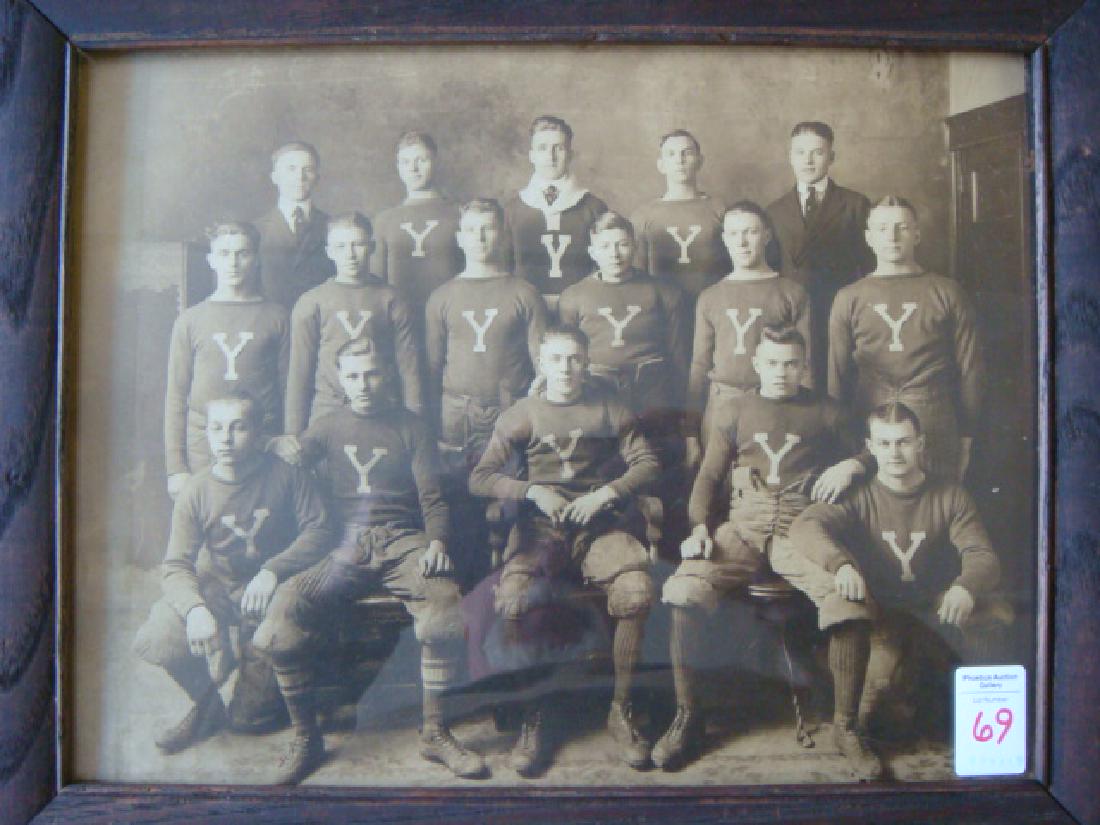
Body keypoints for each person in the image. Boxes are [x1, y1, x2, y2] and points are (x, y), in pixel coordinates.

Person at [256, 340, 485, 783]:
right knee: (283, 611)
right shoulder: (326, 427)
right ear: (341, 379)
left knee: (443, 604)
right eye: (353, 375)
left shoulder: (411, 427)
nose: (363, 384)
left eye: (372, 374)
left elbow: (432, 497)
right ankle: (306, 737)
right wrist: (272, 443)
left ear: (387, 376)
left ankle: (435, 731)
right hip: (342, 545)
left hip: (402, 540)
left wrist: (437, 543)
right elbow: (290, 468)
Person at [654, 325, 868, 771]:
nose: (782, 372)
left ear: (804, 365)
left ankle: (847, 727)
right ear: (756, 364)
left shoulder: (827, 411)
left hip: (800, 527)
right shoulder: (734, 409)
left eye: (791, 363)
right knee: (684, 591)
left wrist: (852, 463)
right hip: (743, 524)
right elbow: (709, 477)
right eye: (772, 363)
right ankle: (688, 717)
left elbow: (873, 454)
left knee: (848, 603)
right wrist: (699, 528)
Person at [468, 326, 661, 775]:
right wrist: (532, 491)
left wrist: (606, 494)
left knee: (636, 593)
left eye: (575, 358)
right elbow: (480, 478)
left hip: (600, 526)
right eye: (556, 359)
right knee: (515, 601)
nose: (567, 369)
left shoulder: (610, 408)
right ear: (542, 363)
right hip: (542, 532)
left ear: (586, 361)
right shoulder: (521, 415)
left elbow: (648, 463)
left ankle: (621, 709)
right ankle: (534, 715)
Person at [788, 401, 1009, 780]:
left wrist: (965, 587)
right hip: (881, 616)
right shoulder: (858, 495)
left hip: (932, 611)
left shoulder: (950, 494)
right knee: (882, 701)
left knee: (993, 615)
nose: (895, 453)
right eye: (885, 444)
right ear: (870, 447)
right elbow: (805, 527)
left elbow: (982, 554)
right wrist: (841, 564)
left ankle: (985, 733)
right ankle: (847, 726)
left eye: (904, 442)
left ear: (920, 443)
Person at [133, 391, 332, 754]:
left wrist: (272, 571)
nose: (225, 439)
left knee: (250, 721)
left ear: (257, 432)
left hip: (271, 596)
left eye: (238, 427)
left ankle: (254, 668)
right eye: (216, 428)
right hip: (222, 589)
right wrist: (195, 610)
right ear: (207, 433)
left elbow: (320, 530)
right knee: (157, 637)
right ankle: (207, 705)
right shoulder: (196, 490)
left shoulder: (287, 475)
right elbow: (176, 565)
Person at [425, 198, 548, 578]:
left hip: (508, 415)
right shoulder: (441, 297)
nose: (480, 237)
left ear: (502, 235)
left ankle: (509, 592)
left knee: (509, 509)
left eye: (488, 228)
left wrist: (527, 413)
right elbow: (432, 371)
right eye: (471, 230)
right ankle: (464, 595)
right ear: (460, 238)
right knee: (461, 508)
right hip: (456, 418)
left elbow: (543, 368)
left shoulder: (524, 293)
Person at [828, 195, 983, 480]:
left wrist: (966, 439)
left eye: (902, 227)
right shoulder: (849, 297)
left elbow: (970, 370)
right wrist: (841, 443)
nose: (893, 236)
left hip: (934, 425)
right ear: (869, 238)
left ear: (917, 234)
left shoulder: (948, 292)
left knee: (936, 502)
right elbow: (837, 376)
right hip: (869, 426)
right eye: (883, 228)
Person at [164, 221, 289, 501]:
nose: (233, 263)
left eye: (242, 253)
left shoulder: (277, 317)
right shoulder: (190, 320)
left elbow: (288, 390)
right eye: (224, 253)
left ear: (256, 259)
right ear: (211, 259)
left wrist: (287, 440)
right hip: (203, 447)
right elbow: (176, 397)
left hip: (262, 444)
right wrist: (176, 468)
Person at [685, 201, 812, 466]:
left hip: (774, 406)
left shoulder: (791, 293)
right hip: (721, 405)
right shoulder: (710, 297)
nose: (742, 242)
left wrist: (806, 416)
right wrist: (690, 432)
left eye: (751, 232)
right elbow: (700, 365)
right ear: (725, 239)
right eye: (734, 233)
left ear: (767, 235)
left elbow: (806, 364)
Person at [557, 211, 689, 453]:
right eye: (605, 246)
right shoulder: (573, 296)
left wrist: (683, 416)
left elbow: (679, 358)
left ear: (635, 247)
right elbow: (567, 352)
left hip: (652, 391)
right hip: (599, 390)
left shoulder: (664, 292)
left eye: (622, 244)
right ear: (592, 252)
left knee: (657, 457)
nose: (614, 254)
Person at [284, 211, 422, 436]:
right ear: (329, 252)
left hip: (381, 414)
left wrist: (416, 431)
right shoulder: (311, 302)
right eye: (340, 246)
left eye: (358, 245)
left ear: (372, 247)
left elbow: (409, 372)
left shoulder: (392, 299)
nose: (350, 254)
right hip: (328, 413)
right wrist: (293, 434)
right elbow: (300, 375)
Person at [766, 122, 872, 389]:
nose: (808, 160)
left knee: (839, 385)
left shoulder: (855, 204)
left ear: (831, 157)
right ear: (790, 157)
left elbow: (870, 270)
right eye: (800, 152)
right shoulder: (775, 211)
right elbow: (772, 272)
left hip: (840, 312)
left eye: (817, 152)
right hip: (793, 318)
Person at [503, 115, 609, 305]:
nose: (550, 156)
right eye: (542, 148)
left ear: (570, 154)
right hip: (526, 308)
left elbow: (605, 270)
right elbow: (504, 270)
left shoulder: (594, 208)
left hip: (581, 307)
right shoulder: (512, 210)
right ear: (532, 155)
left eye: (558, 148)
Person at [630, 129, 730, 302]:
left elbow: (733, 269)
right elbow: (637, 275)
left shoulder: (720, 210)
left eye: (687, 153)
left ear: (700, 161)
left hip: (713, 305)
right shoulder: (643, 216)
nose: (680, 160)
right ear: (661, 165)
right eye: (671, 154)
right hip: (664, 309)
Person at [371, 131, 463, 313]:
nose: (413, 168)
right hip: (400, 320)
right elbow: (377, 286)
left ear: (435, 162)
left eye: (421, 160)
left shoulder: (459, 215)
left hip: (451, 315)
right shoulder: (384, 221)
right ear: (398, 167)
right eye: (405, 162)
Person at [253, 141, 335, 311]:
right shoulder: (255, 231)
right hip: (272, 321)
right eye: (291, 169)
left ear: (317, 178)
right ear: (275, 177)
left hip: (320, 320)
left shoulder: (333, 228)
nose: (300, 177)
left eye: (308, 169)